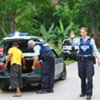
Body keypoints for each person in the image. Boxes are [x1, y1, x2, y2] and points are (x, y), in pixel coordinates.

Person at [70, 27, 100, 100]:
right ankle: (83, 91)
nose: (82, 33)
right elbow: (73, 44)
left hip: (89, 61)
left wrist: (98, 58)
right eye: (81, 32)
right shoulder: (78, 40)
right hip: (81, 61)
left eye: (83, 32)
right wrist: (72, 38)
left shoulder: (91, 41)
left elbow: (95, 50)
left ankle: (89, 93)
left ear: (86, 32)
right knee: (82, 76)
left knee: (89, 77)